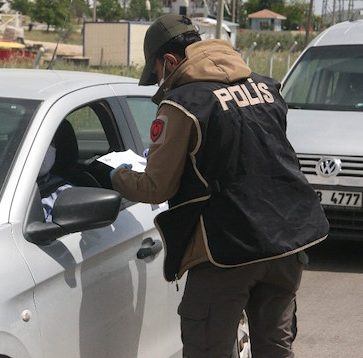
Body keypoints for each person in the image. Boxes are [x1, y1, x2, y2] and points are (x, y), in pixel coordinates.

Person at [110, 14, 329, 358]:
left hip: (228, 250)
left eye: (155, 73)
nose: (159, 82)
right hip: (288, 242)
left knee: (207, 348)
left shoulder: (183, 104)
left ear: (168, 61)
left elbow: (155, 188)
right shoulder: (266, 87)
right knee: (275, 348)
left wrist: (113, 175)